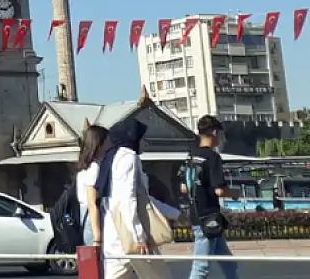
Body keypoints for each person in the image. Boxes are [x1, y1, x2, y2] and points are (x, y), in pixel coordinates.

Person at [94, 115, 179, 279]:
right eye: (142, 137)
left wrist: (174, 214)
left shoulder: (111, 158)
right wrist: (139, 236)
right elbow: (128, 199)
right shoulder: (129, 158)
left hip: (114, 234)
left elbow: (139, 199)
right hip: (132, 234)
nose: (145, 142)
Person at [181, 115, 237, 279]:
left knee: (228, 263)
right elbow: (219, 190)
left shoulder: (190, 156)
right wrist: (235, 193)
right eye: (219, 134)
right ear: (214, 132)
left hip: (197, 215)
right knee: (201, 267)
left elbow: (184, 187)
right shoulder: (213, 158)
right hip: (208, 217)